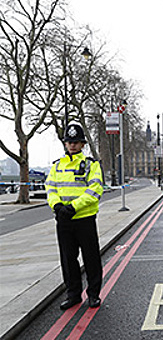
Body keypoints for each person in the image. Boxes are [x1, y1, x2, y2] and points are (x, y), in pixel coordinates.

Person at [45, 123, 103, 310]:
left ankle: (93, 294)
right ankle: (73, 295)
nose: (72, 145)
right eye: (69, 142)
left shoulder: (90, 165)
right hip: (64, 220)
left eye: (76, 142)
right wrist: (57, 205)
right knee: (68, 260)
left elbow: (95, 189)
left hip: (84, 219)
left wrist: (73, 207)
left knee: (91, 258)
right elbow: (50, 189)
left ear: (82, 144)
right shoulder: (56, 166)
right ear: (65, 143)